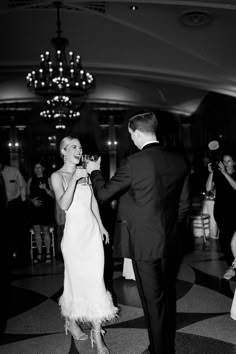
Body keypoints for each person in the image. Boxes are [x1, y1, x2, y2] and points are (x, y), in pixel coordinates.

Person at [87, 112, 190, 354]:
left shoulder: (134, 162)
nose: (131, 138)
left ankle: (160, 350)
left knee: (152, 301)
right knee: (165, 295)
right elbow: (184, 204)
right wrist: (168, 229)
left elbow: (103, 194)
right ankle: (164, 345)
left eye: (131, 134)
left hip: (144, 243)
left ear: (139, 132)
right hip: (170, 239)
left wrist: (95, 171)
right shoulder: (179, 160)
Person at [51, 136, 118, 354]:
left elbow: (92, 202)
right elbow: (64, 204)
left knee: (96, 282)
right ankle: (71, 321)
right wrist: (74, 179)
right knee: (74, 282)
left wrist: (101, 226)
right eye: (73, 147)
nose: (78, 150)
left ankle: (97, 335)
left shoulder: (85, 173)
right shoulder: (57, 176)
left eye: (80, 147)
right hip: (73, 238)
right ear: (63, 151)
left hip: (91, 235)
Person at [206, 152, 236, 280]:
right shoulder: (218, 174)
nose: (226, 163)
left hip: (234, 212)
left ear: (234, 162)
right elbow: (208, 188)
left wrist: (224, 173)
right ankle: (232, 265)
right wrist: (211, 173)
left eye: (229, 161)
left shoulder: (234, 174)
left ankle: (233, 266)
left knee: (232, 241)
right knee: (223, 240)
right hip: (220, 212)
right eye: (224, 161)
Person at [0, 157, 27, 264]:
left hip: (14, 205)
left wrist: (23, 201)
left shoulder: (13, 171)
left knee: (16, 232)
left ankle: (20, 257)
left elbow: (22, 186)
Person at [27, 161, 54, 263]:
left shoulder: (48, 179)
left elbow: (53, 195)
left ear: (43, 168)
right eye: (35, 168)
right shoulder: (30, 180)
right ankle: (39, 254)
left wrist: (45, 188)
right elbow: (27, 195)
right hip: (34, 209)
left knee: (46, 231)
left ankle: (48, 253)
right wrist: (32, 200)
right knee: (37, 232)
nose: (37, 169)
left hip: (45, 208)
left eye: (39, 167)